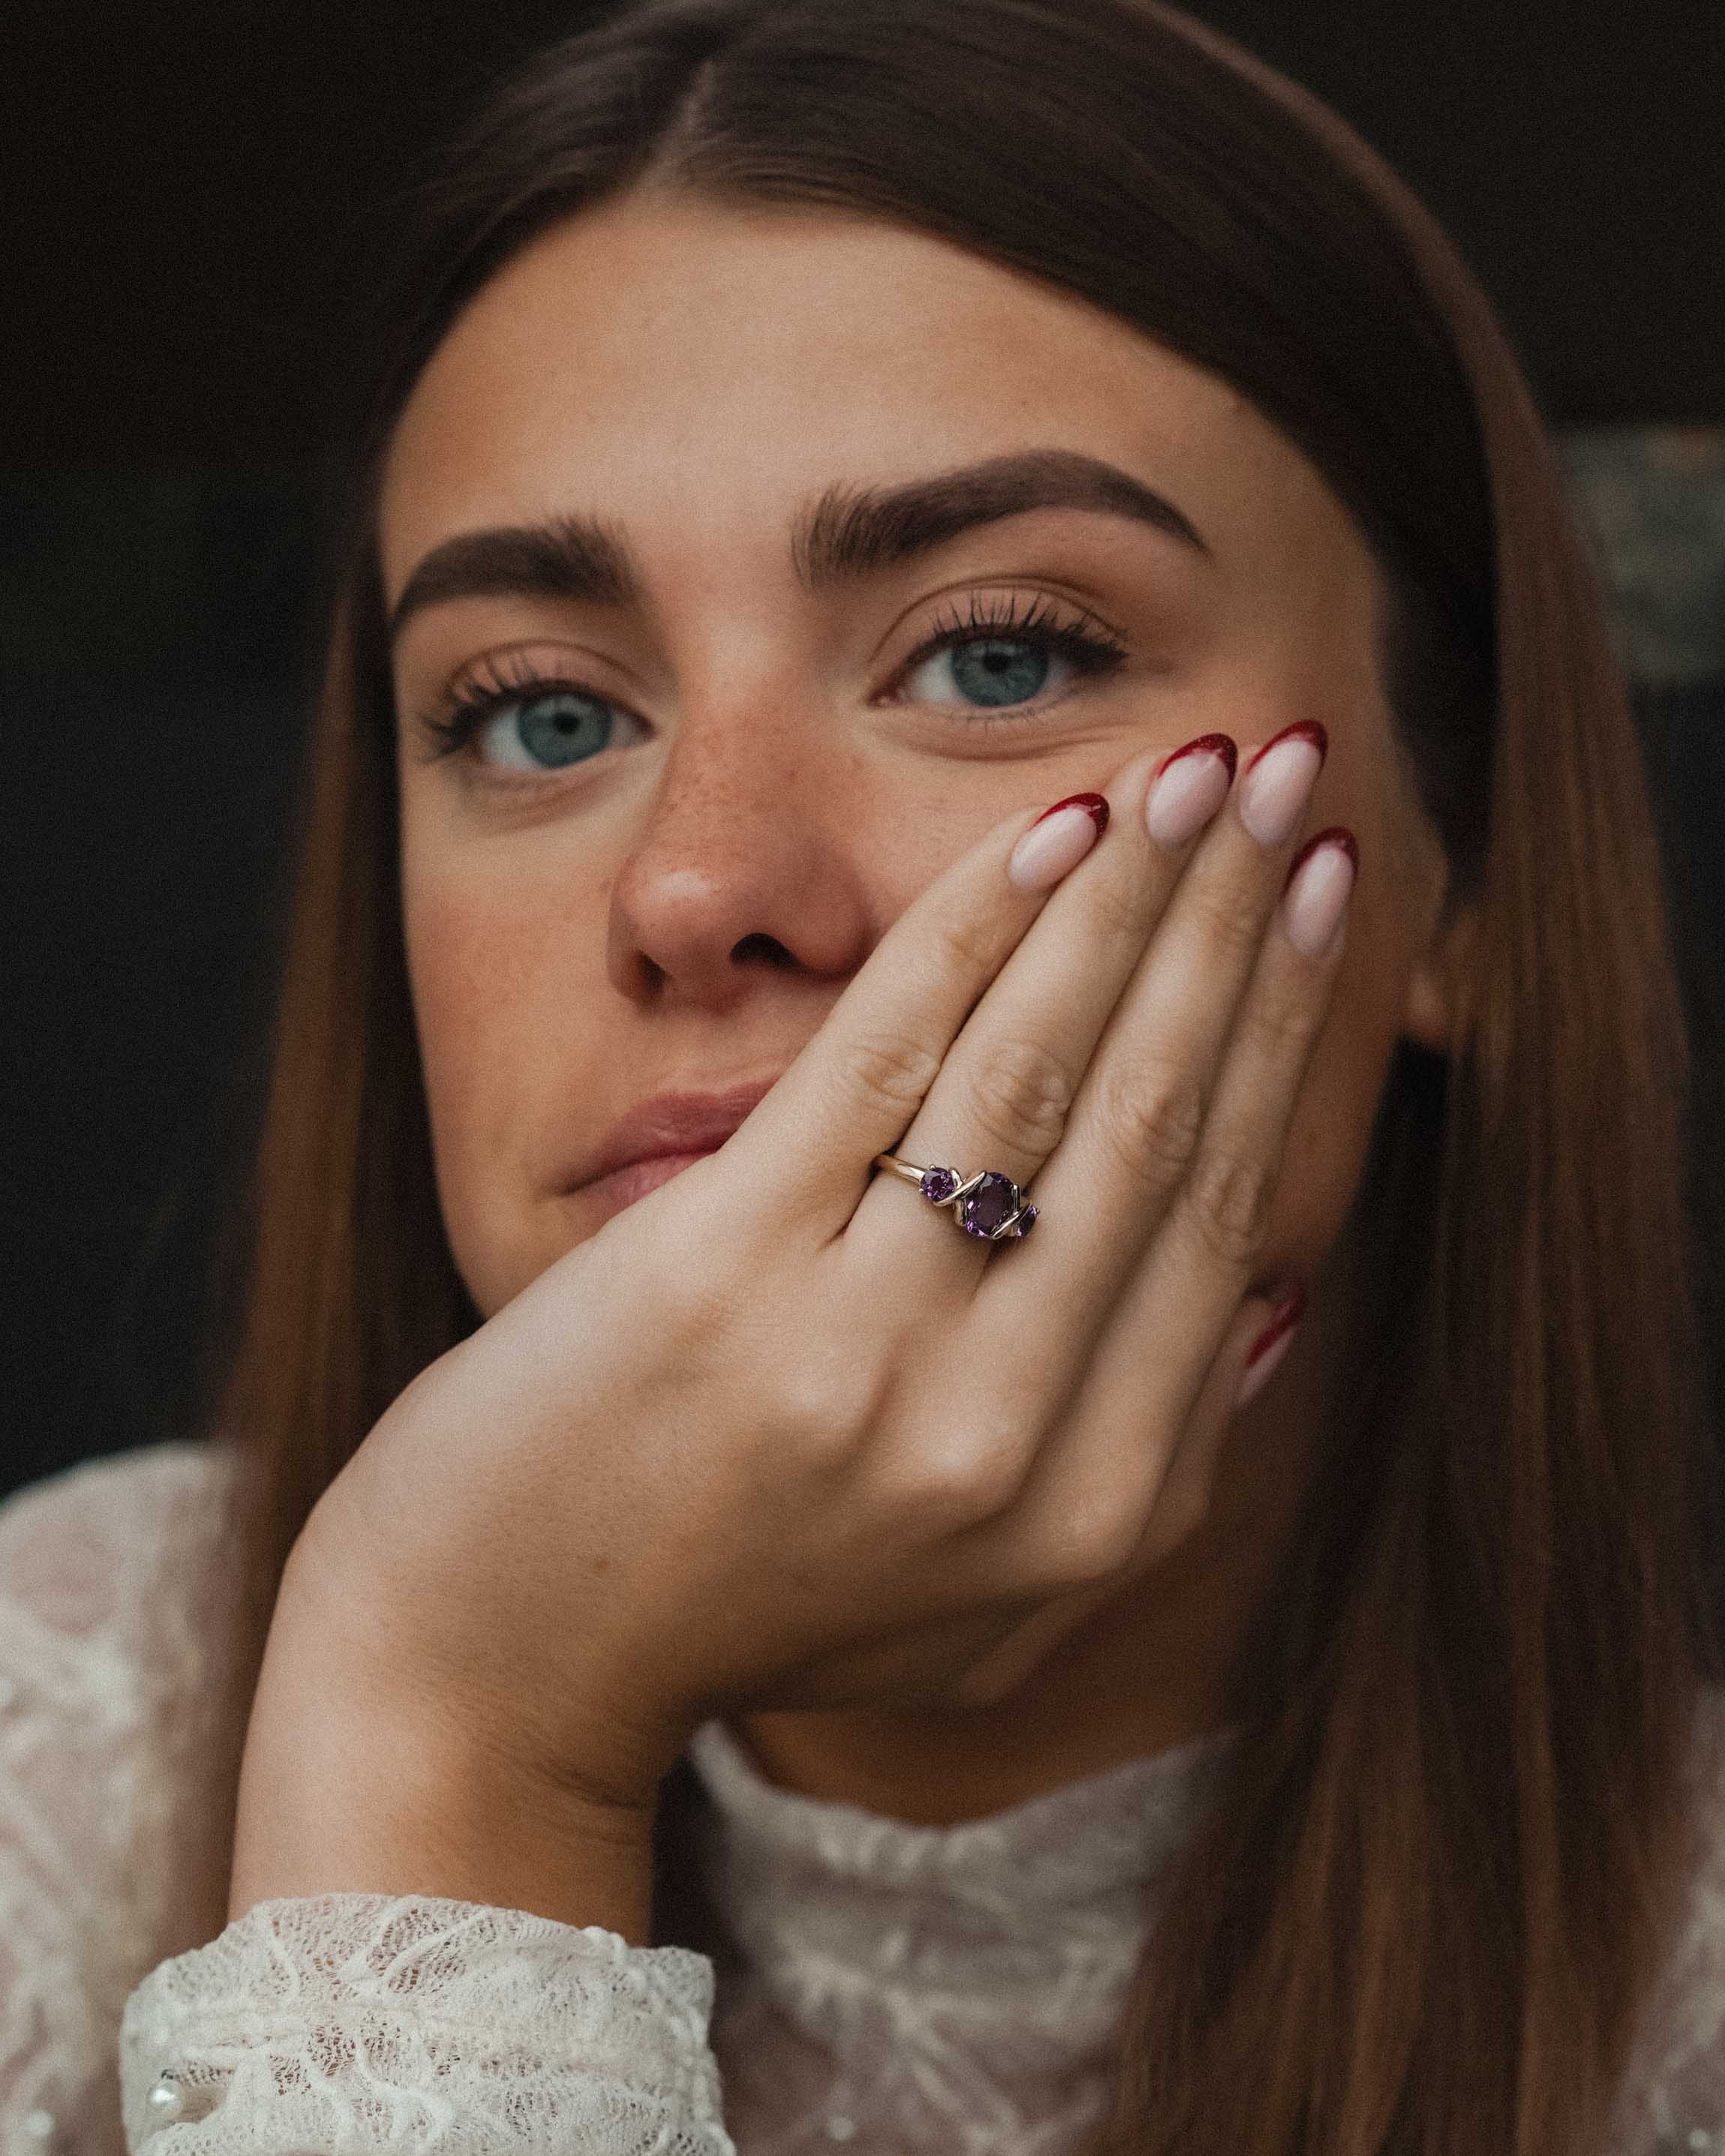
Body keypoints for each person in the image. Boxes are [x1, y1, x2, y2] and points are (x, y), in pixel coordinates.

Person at [4, 0, 1721, 2148]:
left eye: (998, 655)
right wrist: (451, 1723)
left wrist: (462, 1714)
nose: (701, 879)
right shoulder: (54, 1728)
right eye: (539, 715)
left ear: (1452, 865)